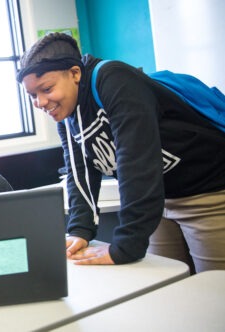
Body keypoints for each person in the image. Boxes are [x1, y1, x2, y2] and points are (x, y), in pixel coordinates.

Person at [16, 32, 225, 272]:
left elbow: (136, 161)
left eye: (47, 89)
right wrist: (79, 230)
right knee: (167, 285)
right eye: (33, 95)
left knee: (216, 290)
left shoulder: (113, 79)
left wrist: (126, 245)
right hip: (159, 201)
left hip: (208, 193)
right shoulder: (66, 115)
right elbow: (79, 172)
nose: (40, 102)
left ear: (74, 73)